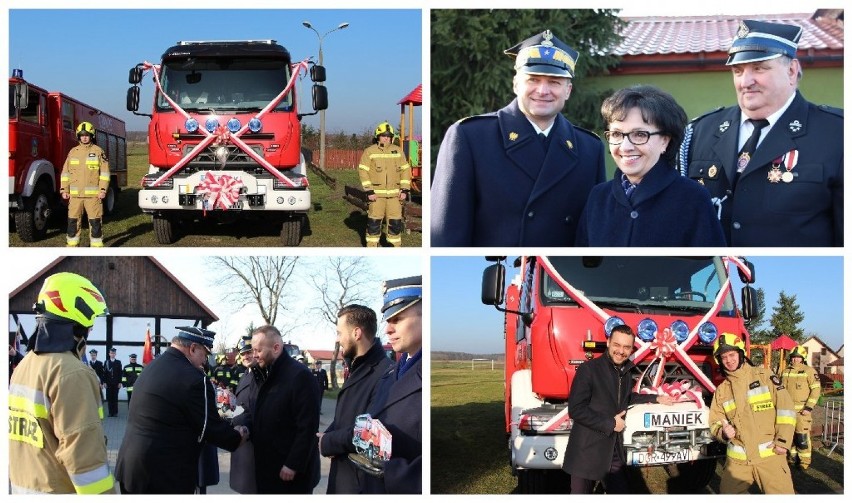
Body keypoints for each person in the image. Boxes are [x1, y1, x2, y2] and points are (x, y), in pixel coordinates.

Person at [431, 29, 606, 247]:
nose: (543, 90)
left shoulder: (589, 148)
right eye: (533, 79)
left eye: (554, 82)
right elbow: (446, 233)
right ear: (516, 84)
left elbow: (593, 234)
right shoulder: (470, 136)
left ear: (568, 90)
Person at [681, 19, 843, 246]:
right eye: (738, 71)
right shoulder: (701, 131)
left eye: (759, 68)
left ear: (791, 71)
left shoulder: (837, 133)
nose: (746, 81)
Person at [576, 85, 725, 246]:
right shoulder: (598, 197)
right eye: (617, 134)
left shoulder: (693, 199)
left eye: (640, 135)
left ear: (665, 141)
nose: (625, 146)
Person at [9, 272, 115, 493]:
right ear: (80, 317)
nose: (92, 328)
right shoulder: (72, 372)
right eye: (92, 320)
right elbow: (84, 459)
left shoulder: (26, 364)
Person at [115, 326, 247, 494]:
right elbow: (210, 428)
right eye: (204, 355)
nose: (204, 362)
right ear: (192, 348)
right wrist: (237, 436)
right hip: (164, 475)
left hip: (131, 468)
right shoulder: (194, 379)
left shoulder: (153, 366)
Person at [562, 325, 674, 493]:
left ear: (631, 349)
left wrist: (655, 398)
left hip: (612, 450)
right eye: (617, 345)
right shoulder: (589, 369)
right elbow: (576, 409)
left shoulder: (626, 372)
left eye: (626, 347)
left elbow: (626, 398)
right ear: (608, 343)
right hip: (587, 450)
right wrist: (610, 424)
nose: (621, 351)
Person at [708, 333, 796, 494]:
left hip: (770, 457)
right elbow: (714, 421)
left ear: (741, 354)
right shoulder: (721, 390)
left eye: (732, 354)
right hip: (738, 462)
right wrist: (723, 432)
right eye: (724, 357)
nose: (729, 360)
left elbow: (786, 408)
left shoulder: (765, 376)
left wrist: (783, 441)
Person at [319, 304, 393, 493]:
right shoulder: (356, 367)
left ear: (356, 333)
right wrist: (328, 434)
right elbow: (347, 414)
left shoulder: (385, 373)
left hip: (360, 483)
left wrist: (329, 442)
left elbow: (371, 432)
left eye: (339, 332)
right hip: (343, 475)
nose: (337, 339)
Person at [360, 276, 423, 494]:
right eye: (388, 320)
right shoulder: (392, 372)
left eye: (397, 319)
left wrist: (396, 473)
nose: (387, 329)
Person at [250, 325, 321, 493]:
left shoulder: (299, 376)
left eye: (258, 350)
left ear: (276, 348)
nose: (254, 355)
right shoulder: (265, 373)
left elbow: (308, 425)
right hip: (268, 467)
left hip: (288, 473)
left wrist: (293, 463)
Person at [358, 121, 412, 247]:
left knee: (395, 223)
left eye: (388, 136)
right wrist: (369, 191)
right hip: (376, 196)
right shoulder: (369, 151)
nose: (386, 138)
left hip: (395, 196)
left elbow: (405, 170)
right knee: (374, 223)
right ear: (378, 136)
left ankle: (395, 247)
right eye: (383, 135)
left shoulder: (398, 151)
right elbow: (363, 171)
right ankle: (372, 246)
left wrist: (404, 189)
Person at [60, 121, 110, 247]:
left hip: (93, 198)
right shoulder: (73, 152)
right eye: (82, 135)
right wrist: (64, 190)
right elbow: (65, 173)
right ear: (78, 136)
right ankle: (72, 247)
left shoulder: (99, 152)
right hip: (75, 197)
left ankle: (96, 247)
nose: (85, 137)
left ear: (92, 135)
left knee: (95, 223)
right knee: (72, 222)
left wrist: (103, 190)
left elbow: (104, 173)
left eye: (87, 135)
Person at [781, 345, 821, 470]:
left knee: (802, 437)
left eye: (798, 358)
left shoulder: (809, 371)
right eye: (793, 357)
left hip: (802, 411)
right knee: (790, 436)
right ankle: (792, 458)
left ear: (803, 358)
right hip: (787, 411)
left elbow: (816, 390)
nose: (795, 360)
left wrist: (808, 407)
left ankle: (804, 462)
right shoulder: (785, 371)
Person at [230, 338, 260, 494]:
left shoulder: (261, 375)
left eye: (249, 352)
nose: (246, 357)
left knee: (251, 487)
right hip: (241, 436)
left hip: (250, 438)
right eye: (243, 354)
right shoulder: (245, 374)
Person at [103, 347, 123, 417]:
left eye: (114, 353)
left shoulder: (118, 362)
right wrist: (104, 382)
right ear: (109, 354)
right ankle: (110, 412)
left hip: (116, 383)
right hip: (108, 383)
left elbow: (120, 373)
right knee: (109, 398)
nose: (112, 354)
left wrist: (120, 382)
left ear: (115, 354)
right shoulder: (106, 362)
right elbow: (104, 373)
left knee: (115, 398)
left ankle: (115, 412)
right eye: (111, 353)